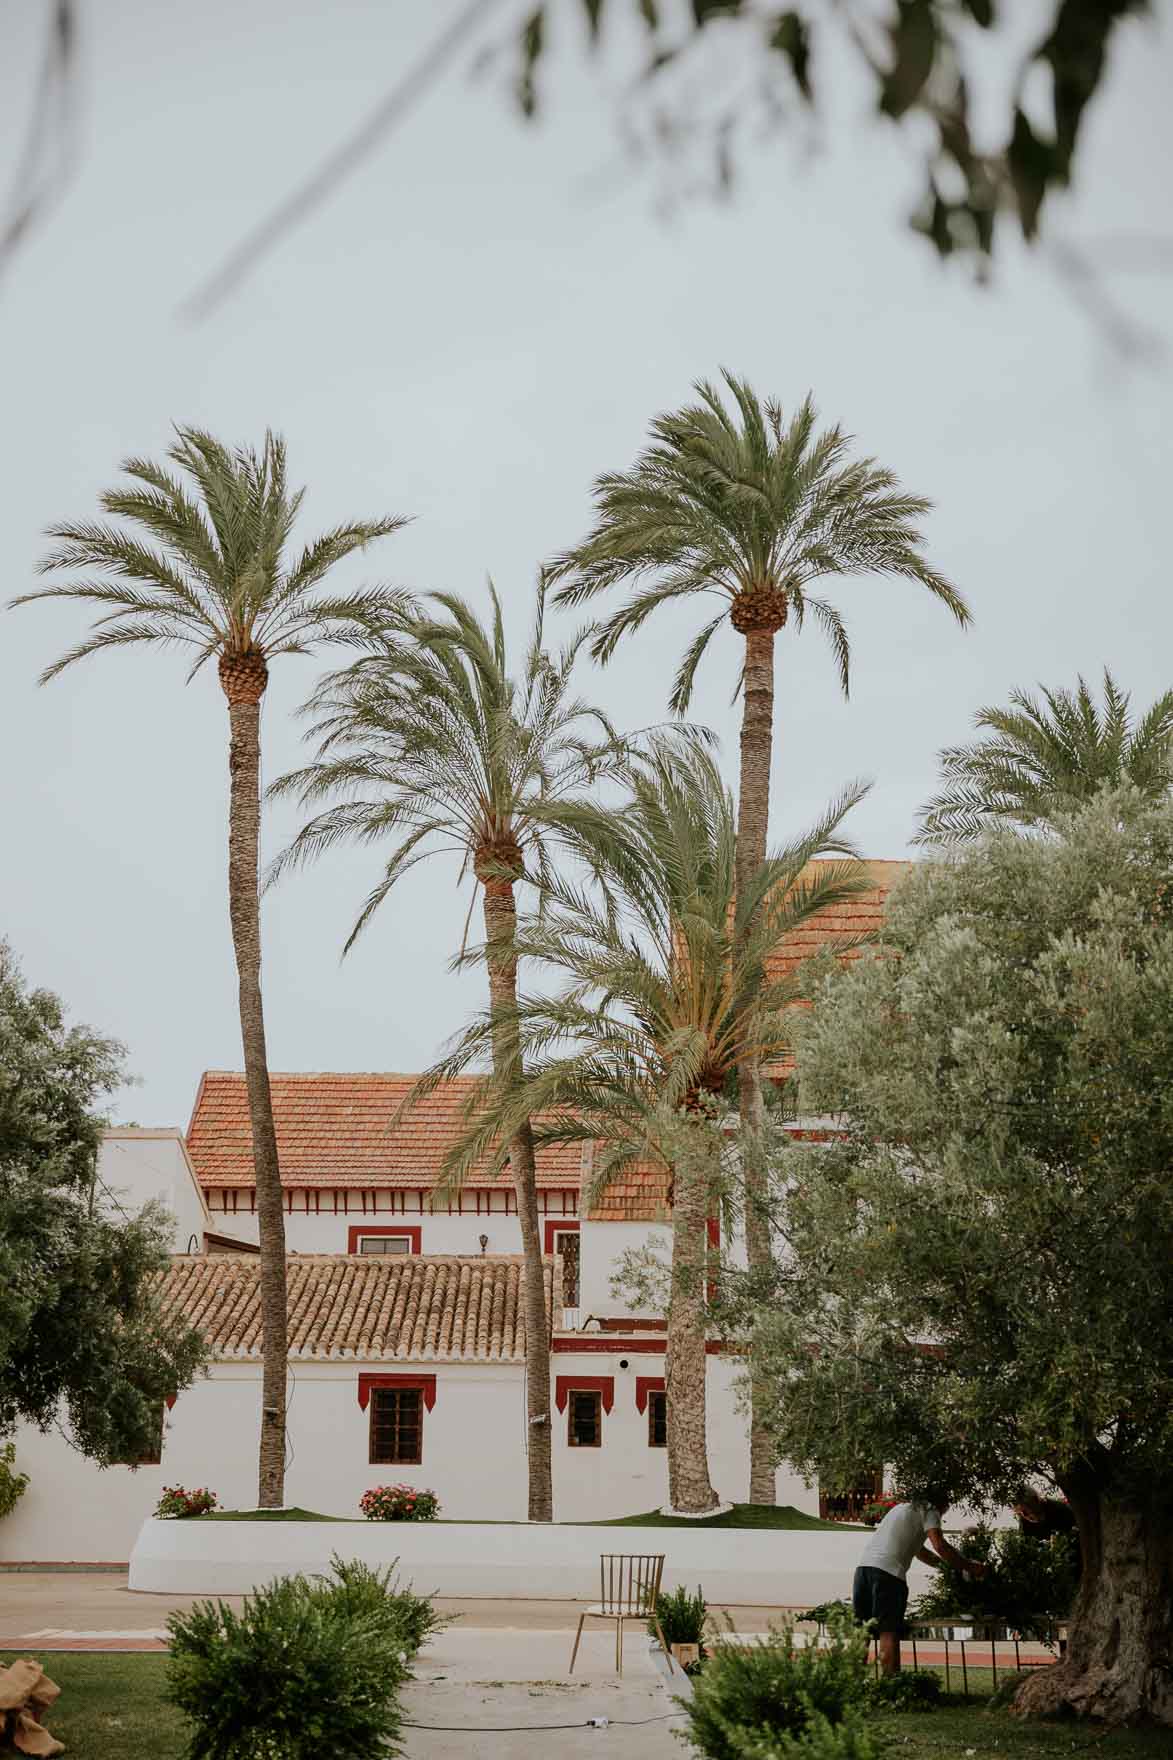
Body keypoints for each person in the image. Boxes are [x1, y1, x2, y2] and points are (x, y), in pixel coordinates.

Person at [853, 1495, 985, 1674]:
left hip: (863, 1570)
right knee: (888, 1631)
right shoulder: (930, 1509)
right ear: (943, 1502)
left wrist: (948, 1568)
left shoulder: (901, 1508)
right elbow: (940, 1545)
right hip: (889, 1575)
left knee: (862, 1631)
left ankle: (852, 1686)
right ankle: (891, 1687)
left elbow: (921, 1552)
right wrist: (969, 1566)